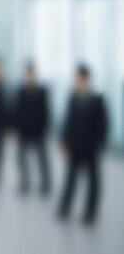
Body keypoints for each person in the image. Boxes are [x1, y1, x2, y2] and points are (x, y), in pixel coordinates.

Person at [58, 65, 108, 226]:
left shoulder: (97, 100)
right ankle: (65, 207)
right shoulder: (73, 98)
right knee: (70, 178)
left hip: (91, 147)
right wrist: (65, 141)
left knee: (93, 181)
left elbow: (103, 125)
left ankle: (90, 212)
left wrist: (100, 144)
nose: (78, 82)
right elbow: (68, 122)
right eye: (76, 79)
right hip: (75, 145)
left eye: (80, 79)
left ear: (86, 79)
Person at [15, 63, 50, 195]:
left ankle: (45, 182)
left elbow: (45, 112)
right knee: (21, 157)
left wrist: (45, 128)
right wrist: (16, 127)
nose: (29, 76)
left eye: (31, 74)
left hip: (38, 130)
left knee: (42, 158)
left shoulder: (42, 91)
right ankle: (25, 180)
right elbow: (18, 111)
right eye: (27, 74)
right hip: (24, 130)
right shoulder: (21, 91)